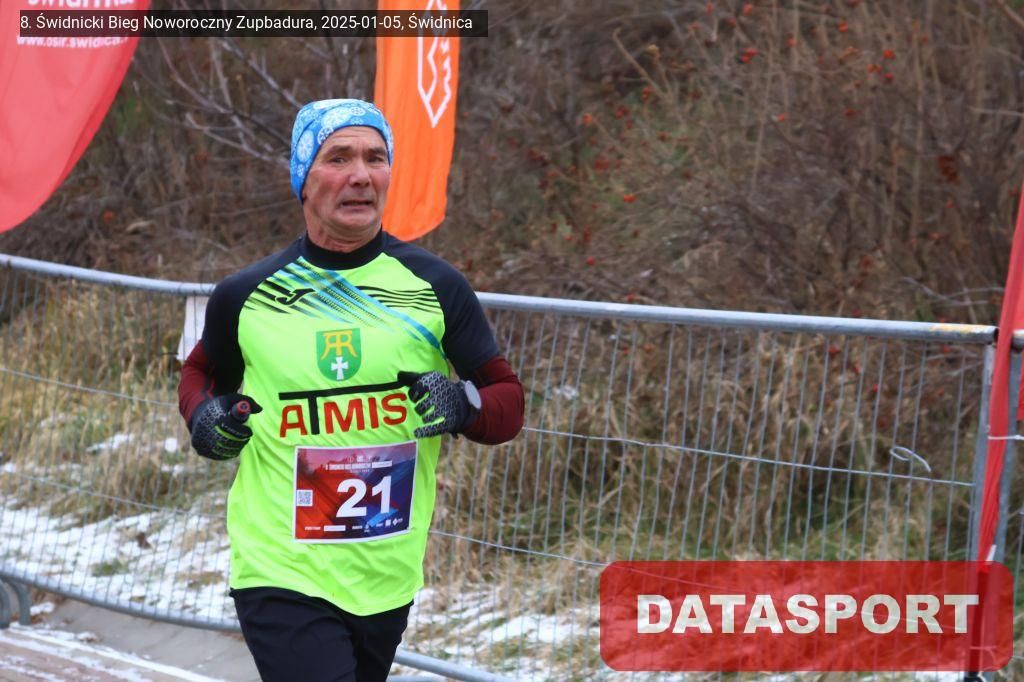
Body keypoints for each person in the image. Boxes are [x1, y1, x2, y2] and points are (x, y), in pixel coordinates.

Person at [177, 98, 524, 682]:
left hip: (385, 570)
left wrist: (462, 405)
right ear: (303, 177)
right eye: (338, 157)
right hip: (280, 566)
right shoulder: (247, 294)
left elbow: (507, 401)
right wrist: (205, 419)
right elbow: (200, 375)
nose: (361, 174)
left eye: (375, 158)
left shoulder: (435, 286)